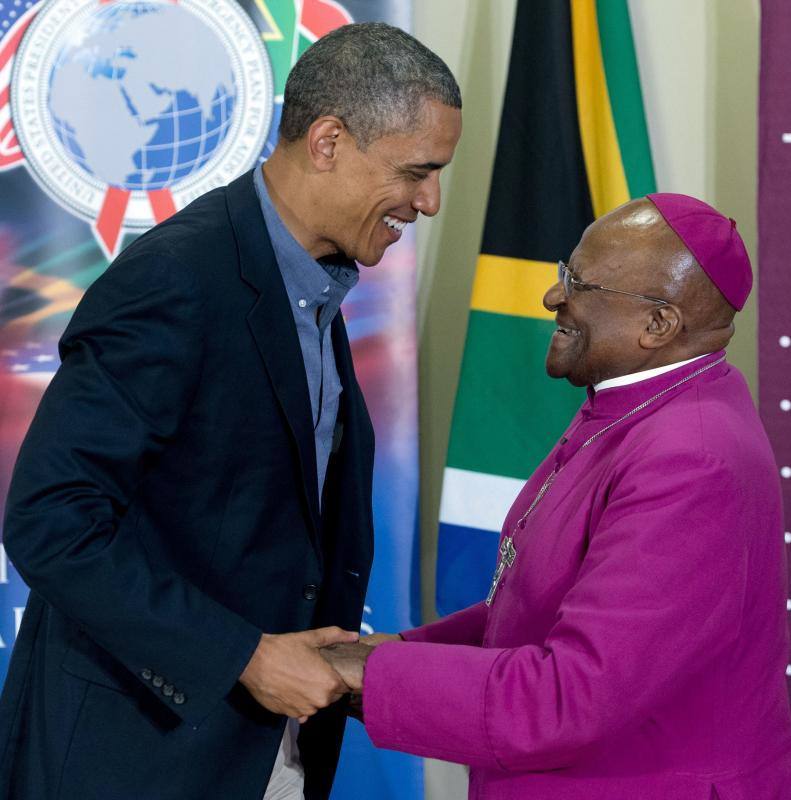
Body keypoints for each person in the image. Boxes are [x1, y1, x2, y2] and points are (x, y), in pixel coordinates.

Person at [0, 22, 461, 800]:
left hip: (261, 752)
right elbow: (50, 519)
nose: (429, 200)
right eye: (416, 171)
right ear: (327, 141)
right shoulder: (176, 279)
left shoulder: (315, 282)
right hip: (135, 760)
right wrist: (244, 656)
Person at [323, 194, 791, 799]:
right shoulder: (636, 403)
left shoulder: (690, 458)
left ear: (658, 325)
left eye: (579, 282)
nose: (552, 297)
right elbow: (540, 607)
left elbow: (571, 696)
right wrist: (387, 653)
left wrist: (367, 676)